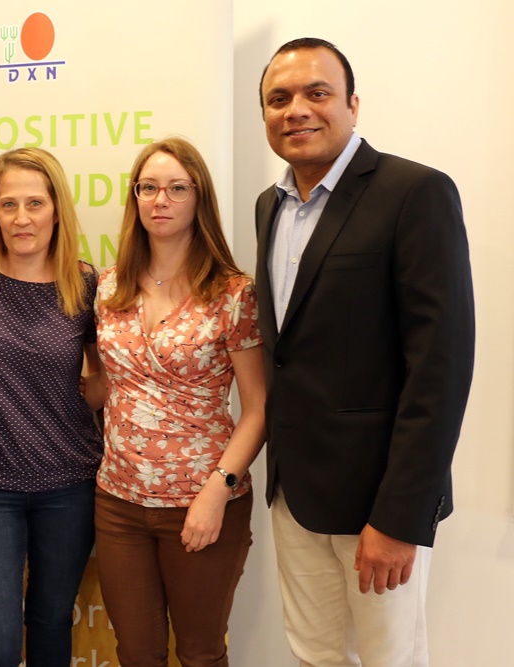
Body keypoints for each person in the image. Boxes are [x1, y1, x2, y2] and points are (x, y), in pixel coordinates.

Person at [255, 38, 475, 667]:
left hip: (378, 502)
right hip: (295, 495)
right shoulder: (270, 206)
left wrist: (402, 516)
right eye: (278, 98)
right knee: (315, 656)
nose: (296, 109)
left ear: (352, 104)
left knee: (389, 659)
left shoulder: (415, 192)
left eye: (316, 93)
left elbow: (440, 369)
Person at [92, 137, 266, 667]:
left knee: (200, 654)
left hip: (202, 500)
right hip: (118, 502)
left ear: (199, 198)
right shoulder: (109, 287)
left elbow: (259, 407)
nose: (160, 200)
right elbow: (107, 385)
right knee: (136, 654)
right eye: (148, 188)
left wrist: (218, 491)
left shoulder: (232, 293)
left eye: (176, 188)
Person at [0, 147, 103, 666]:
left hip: (68, 480)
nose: (21, 218)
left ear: (57, 209)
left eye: (35, 203)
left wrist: (75, 393)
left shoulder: (84, 284)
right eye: (8, 204)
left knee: (51, 623)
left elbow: (104, 375)